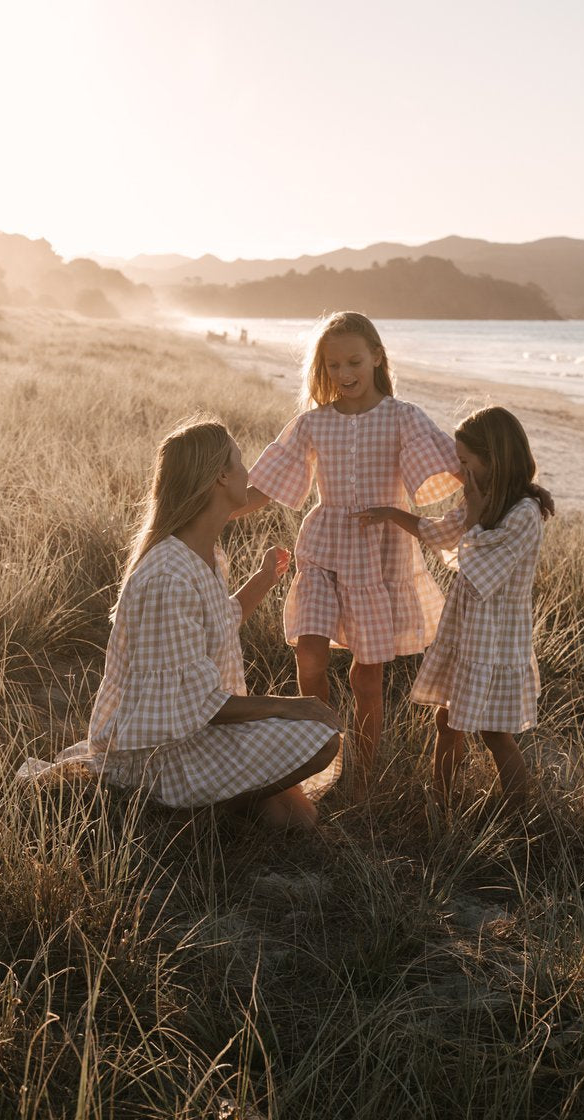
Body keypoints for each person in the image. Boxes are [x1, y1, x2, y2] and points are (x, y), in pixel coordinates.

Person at [21, 419, 343, 830]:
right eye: (240, 461)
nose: (249, 472)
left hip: (191, 732)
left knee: (298, 819)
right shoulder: (167, 577)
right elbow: (197, 706)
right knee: (320, 735)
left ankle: (228, 805)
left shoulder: (203, 554)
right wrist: (291, 705)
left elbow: (221, 622)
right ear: (221, 477)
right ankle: (179, 811)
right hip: (156, 755)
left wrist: (264, 578)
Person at [231, 311, 463, 797]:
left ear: (377, 356)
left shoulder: (404, 417)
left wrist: (513, 492)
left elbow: (459, 467)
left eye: (353, 361)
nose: (343, 373)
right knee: (310, 656)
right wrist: (210, 513)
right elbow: (265, 487)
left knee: (367, 674)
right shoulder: (312, 424)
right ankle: (317, 759)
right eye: (332, 365)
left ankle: (365, 774)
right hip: (323, 545)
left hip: (382, 553)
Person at [358, 406, 550, 811]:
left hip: (496, 638)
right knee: (446, 720)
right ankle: (441, 803)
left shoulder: (524, 514)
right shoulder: (479, 501)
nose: (461, 472)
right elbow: (441, 533)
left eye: (464, 462)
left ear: (493, 458)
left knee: (494, 732)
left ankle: (520, 813)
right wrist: (392, 514)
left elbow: (481, 572)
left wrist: (477, 518)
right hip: (466, 631)